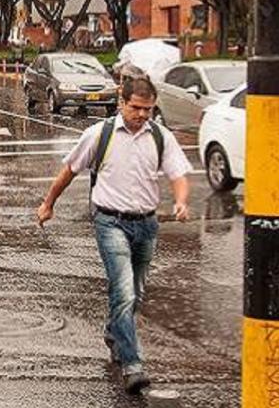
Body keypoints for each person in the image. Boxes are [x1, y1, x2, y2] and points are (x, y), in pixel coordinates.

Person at [36, 77, 191, 394]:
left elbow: (178, 173)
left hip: (147, 224)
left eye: (148, 109)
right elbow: (69, 171)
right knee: (123, 291)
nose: (142, 114)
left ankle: (114, 331)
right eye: (136, 107)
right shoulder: (99, 134)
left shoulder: (160, 136)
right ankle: (132, 365)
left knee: (136, 291)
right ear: (122, 102)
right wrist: (48, 204)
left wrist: (180, 200)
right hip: (110, 222)